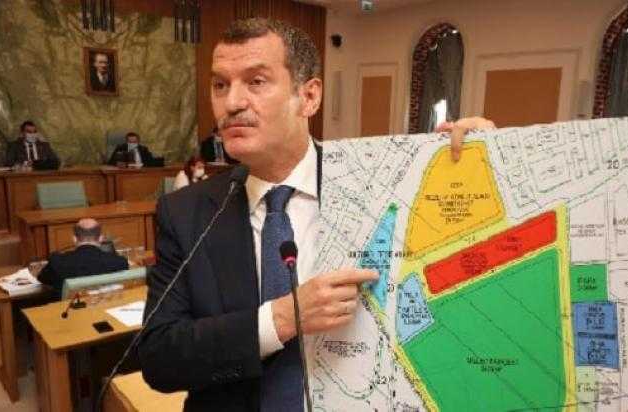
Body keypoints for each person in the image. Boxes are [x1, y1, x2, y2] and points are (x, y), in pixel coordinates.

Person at [137, 18, 494, 410]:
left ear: (308, 97)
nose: (232, 102)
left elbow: (464, 305)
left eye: (256, 81)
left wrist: (479, 166)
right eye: (220, 85)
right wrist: (282, 318)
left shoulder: (385, 185)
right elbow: (159, 358)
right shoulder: (185, 212)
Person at [37, 218, 128, 297]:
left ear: (74, 239)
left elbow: (43, 278)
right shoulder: (119, 262)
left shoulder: (57, 262)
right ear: (101, 238)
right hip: (104, 308)